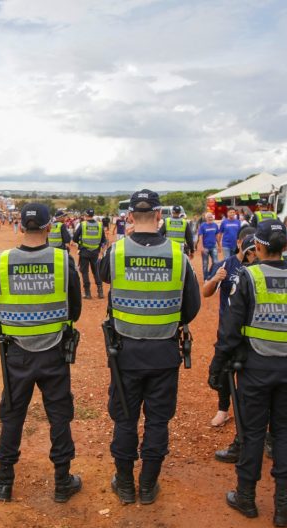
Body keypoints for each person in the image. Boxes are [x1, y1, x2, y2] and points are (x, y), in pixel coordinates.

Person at [208, 219, 287, 528]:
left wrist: (217, 366)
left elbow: (230, 332)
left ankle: (246, 497)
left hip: (255, 368)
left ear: (257, 246)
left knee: (253, 432)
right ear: (286, 246)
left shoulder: (249, 277)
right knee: (285, 433)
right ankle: (283, 504)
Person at [99, 189, 200, 505]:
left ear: (129, 216)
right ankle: (147, 485)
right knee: (157, 421)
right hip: (164, 352)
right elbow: (192, 307)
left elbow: (103, 277)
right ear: (160, 216)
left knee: (125, 419)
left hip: (124, 353)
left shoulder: (115, 253)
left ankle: (126, 485)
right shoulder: (178, 255)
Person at [0, 203, 83, 503]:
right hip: (55, 351)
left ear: (20, 225)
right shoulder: (62, 260)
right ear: (49, 227)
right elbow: (76, 309)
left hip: (15, 352)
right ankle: (62, 482)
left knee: (13, 414)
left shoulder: (2, 262)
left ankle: (4, 480)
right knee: (58, 415)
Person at [202, 228, 257, 431]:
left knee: (250, 371)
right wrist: (215, 278)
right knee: (225, 370)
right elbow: (206, 293)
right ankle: (223, 409)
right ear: (240, 242)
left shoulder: (260, 265)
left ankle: (248, 411)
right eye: (246, 242)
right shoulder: (226, 264)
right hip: (227, 328)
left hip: (253, 330)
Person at [73, 209, 106, 299]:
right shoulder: (100, 225)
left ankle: (87, 293)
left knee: (85, 272)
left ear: (86, 215)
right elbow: (103, 240)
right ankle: (100, 292)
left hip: (84, 252)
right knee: (96, 271)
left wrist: (80, 242)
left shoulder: (83, 224)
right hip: (95, 252)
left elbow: (75, 238)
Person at [197, 212, 220, 280]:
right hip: (205, 247)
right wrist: (201, 246)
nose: (210, 218)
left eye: (211, 217)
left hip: (213, 247)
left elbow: (216, 236)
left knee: (216, 262)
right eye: (209, 217)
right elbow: (200, 237)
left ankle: (211, 274)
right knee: (205, 264)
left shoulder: (215, 225)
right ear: (206, 218)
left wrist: (219, 245)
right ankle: (206, 278)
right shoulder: (202, 226)